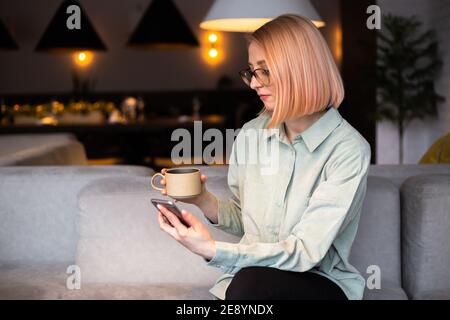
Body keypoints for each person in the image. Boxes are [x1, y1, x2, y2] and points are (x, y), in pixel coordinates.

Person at [155, 14, 371, 300]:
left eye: (265, 71)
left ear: (302, 70)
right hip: (253, 281)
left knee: (252, 283)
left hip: (319, 283)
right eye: (252, 72)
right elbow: (249, 224)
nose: (254, 84)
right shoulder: (251, 134)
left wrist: (212, 249)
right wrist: (201, 199)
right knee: (251, 282)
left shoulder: (348, 150)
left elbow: (305, 252)